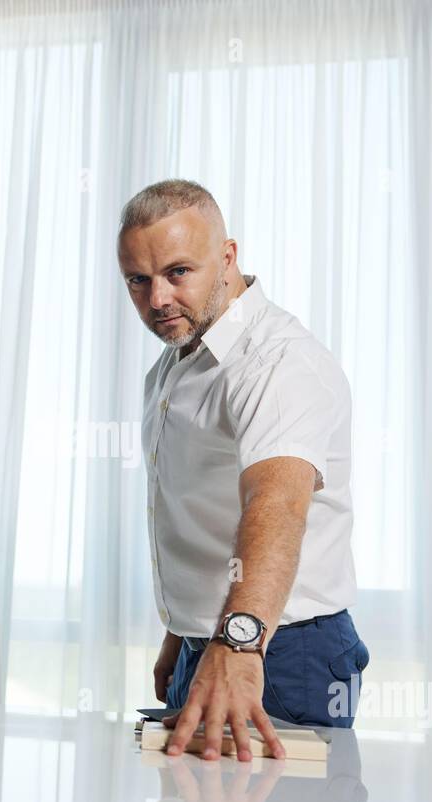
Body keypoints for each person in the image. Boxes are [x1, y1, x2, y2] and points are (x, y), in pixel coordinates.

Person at [118, 178, 369, 762]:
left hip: (278, 650)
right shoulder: (176, 364)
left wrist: (237, 645)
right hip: (215, 640)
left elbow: (276, 504)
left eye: (178, 272)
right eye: (138, 279)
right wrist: (181, 633)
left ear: (228, 258)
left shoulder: (278, 362)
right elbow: (202, 512)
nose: (156, 299)